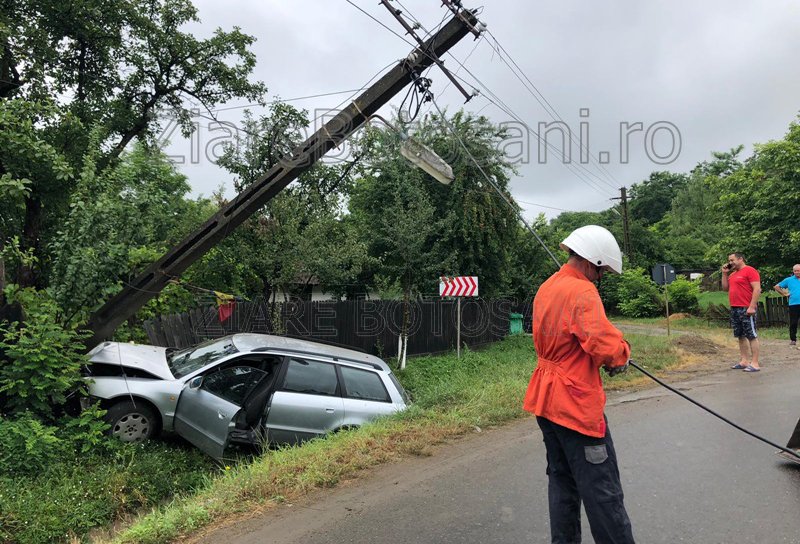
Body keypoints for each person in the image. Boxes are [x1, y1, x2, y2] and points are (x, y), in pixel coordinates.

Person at [523, 225, 635, 544]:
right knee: (603, 490)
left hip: (546, 400)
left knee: (562, 483)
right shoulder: (582, 291)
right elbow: (604, 344)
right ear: (591, 262)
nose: (600, 279)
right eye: (601, 272)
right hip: (574, 404)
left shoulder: (548, 286)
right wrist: (621, 355)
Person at [721, 252, 761, 371]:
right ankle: (744, 361)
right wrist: (724, 274)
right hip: (735, 307)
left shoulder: (750, 270)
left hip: (746, 307)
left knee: (751, 335)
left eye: (732, 260)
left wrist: (752, 306)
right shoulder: (733, 274)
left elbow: (757, 289)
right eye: (729, 260)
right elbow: (724, 288)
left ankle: (755, 363)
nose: (730, 263)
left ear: (740, 259)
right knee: (740, 335)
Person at [773, 264, 800, 346]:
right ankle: (793, 339)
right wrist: (784, 294)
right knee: (793, 322)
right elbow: (777, 287)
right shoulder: (789, 280)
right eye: (795, 271)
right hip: (794, 304)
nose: (796, 272)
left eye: (798, 270)